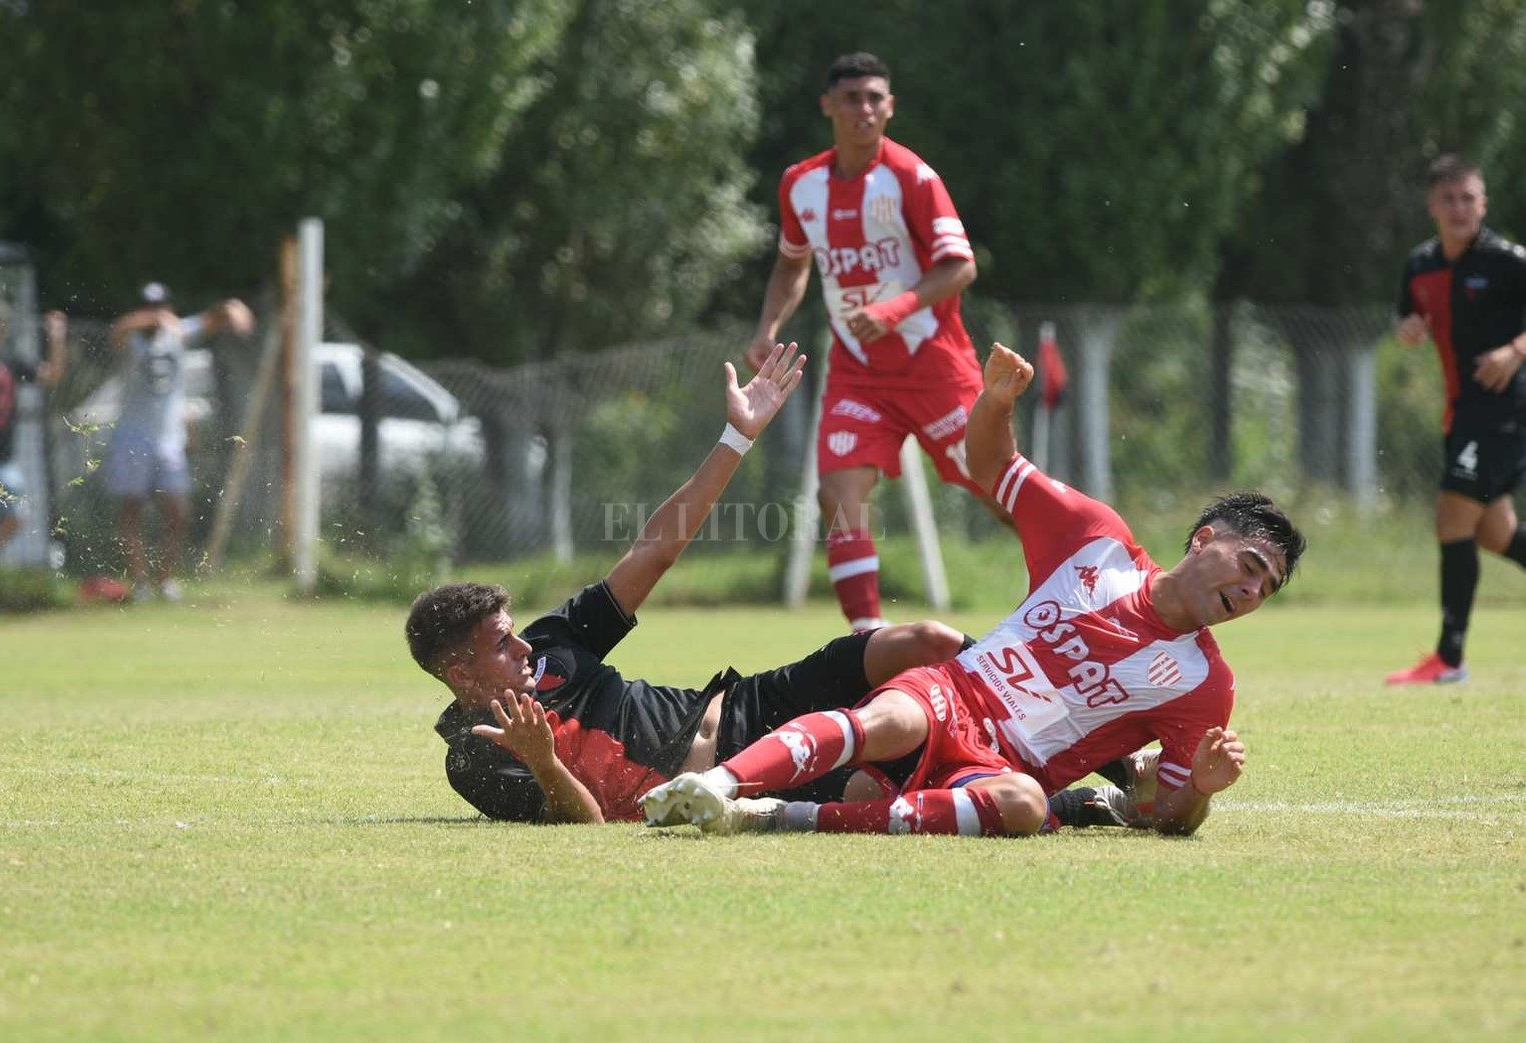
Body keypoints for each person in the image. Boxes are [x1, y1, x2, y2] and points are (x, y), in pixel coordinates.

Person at [641, 344, 1306, 838]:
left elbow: (1162, 816)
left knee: (1020, 806)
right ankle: (713, 783)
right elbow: (990, 464)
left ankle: (778, 817)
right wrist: (995, 402)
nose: (1249, 589)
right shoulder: (1095, 540)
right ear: (1203, 537)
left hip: (1000, 765)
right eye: (1248, 564)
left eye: (1264, 588)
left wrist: (1198, 790)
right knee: (886, 723)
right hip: (952, 692)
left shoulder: (1203, 684)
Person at [406, 342, 975, 824]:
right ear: (460, 673)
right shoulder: (475, 758)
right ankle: (1058, 803)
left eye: (514, 633)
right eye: (502, 645)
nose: (524, 647)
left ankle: (1034, 685)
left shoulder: (550, 647)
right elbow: (588, 821)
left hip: (746, 703)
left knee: (925, 643)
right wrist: (543, 759)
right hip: (725, 785)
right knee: (889, 789)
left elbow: (653, 554)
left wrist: (736, 438)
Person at [747, 51, 1006, 633]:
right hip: (857, 371)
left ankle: (1084, 579)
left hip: (933, 364)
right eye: (851, 98)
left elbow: (959, 267)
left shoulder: (913, 177)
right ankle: (866, 641)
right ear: (828, 107)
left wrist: (894, 308)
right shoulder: (800, 185)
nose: (864, 109)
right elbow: (792, 268)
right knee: (838, 493)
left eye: (874, 99)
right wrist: (767, 330)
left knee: (999, 488)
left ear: (889, 107)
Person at [1386, 155, 1526, 685]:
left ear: (1483, 203)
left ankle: (1449, 658)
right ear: (1432, 207)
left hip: (1503, 411)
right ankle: (1449, 658)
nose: (1459, 208)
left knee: (1452, 517)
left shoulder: (1508, 260)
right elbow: (1403, 316)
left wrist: (1515, 350)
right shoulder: (1421, 264)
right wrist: (1406, 330)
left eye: (1469, 198)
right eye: (1449, 199)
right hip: (1460, 411)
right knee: (1495, 532)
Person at [105, 282, 253, 602]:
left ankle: (166, 579)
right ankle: (140, 581)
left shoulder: (176, 332)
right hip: (132, 437)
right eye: (149, 306)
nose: (156, 312)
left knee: (177, 511)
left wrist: (232, 308)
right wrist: (151, 320)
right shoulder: (131, 337)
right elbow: (118, 331)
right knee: (131, 511)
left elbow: (212, 319)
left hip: (168, 439)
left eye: (161, 306)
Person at [0, 301, 67, 565]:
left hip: (4, 460)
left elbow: (51, 375)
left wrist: (56, 338)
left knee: (16, 516)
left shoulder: (10, 360)